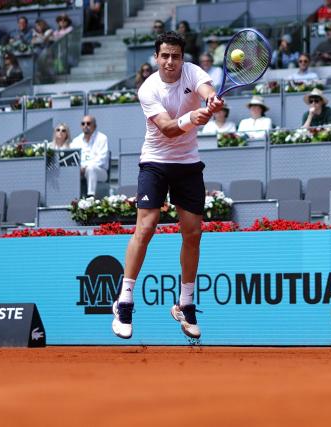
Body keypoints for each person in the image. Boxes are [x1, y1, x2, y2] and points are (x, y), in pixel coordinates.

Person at [111, 31, 223, 340]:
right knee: (145, 228)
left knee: (193, 233)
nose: (170, 61)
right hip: (155, 163)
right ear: (156, 58)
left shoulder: (192, 72)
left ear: (182, 57)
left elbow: (205, 88)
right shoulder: (148, 89)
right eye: (165, 56)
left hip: (188, 164)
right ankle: (124, 299)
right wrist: (193, 118)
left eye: (175, 55)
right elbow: (168, 129)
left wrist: (209, 100)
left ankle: (184, 304)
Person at [71, 115, 109, 197]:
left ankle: (90, 197)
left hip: (100, 171)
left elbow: (101, 159)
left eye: (88, 123)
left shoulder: (102, 138)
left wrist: (85, 167)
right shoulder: (76, 141)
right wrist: (79, 168)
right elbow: (72, 158)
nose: (85, 126)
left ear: (94, 126)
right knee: (71, 171)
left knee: (91, 168)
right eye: (83, 123)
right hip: (80, 171)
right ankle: (72, 198)